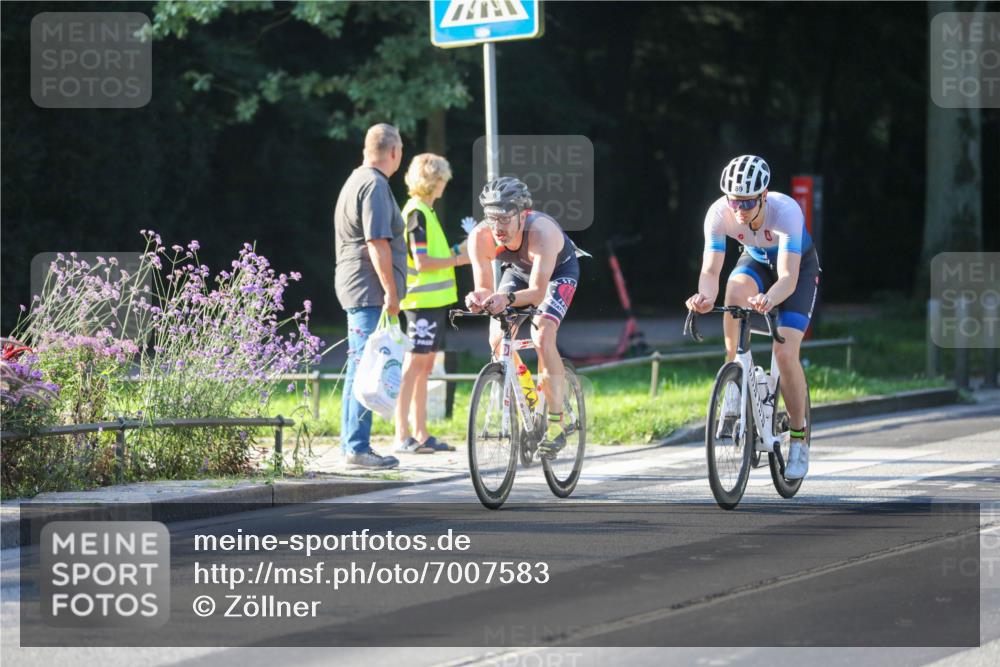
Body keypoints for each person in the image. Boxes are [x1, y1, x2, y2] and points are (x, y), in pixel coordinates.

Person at [685, 154, 821, 480]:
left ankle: (800, 441)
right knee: (733, 290)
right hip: (757, 261)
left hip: (796, 271)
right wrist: (704, 297)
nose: (740, 210)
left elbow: (787, 278)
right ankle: (734, 377)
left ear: (763, 195)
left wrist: (768, 298)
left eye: (747, 202)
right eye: (735, 201)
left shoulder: (785, 211)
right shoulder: (719, 214)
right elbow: (710, 269)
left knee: (784, 352)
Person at [465, 177, 580, 460]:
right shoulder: (480, 236)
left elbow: (539, 293)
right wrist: (479, 297)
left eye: (505, 218)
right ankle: (529, 396)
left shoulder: (541, 232)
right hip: (517, 274)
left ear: (522, 214)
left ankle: (556, 422)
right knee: (496, 338)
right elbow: (484, 284)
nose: (498, 227)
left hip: (556, 275)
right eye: (492, 218)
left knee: (543, 333)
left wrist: (506, 300)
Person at [333, 123, 407, 469]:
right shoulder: (375, 185)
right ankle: (357, 448)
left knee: (360, 366)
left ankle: (354, 444)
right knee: (366, 366)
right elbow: (377, 242)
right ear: (394, 152)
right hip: (367, 287)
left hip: (355, 283)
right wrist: (391, 290)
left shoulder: (355, 180)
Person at [394, 153, 470, 455]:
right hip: (421, 302)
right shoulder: (417, 213)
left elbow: (427, 256)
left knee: (424, 366)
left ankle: (421, 433)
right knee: (414, 365)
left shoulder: (425, 211)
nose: (444, 185)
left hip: (433, 302)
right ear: (433, 180)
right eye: (442, 180)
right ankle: (402, 434)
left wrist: (456, 249)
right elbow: (423, 261)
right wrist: (457, 259)